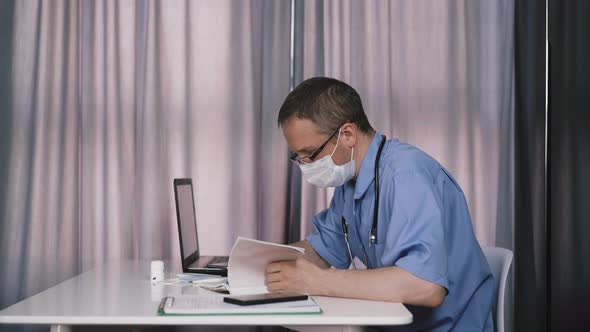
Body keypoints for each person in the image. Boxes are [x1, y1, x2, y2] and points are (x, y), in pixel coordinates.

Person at [266, 77, 494, 331]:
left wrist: (318, 281)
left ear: (348, 134)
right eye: (299, 157)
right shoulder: (350, 182)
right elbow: (322, 250)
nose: (306, 165)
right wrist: (258, 263)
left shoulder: (406, 176)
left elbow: (426, 286)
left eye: (311, 153)